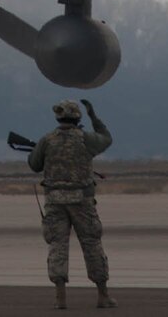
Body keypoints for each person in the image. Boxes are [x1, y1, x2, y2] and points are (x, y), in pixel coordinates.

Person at [27, 98, 115, 310]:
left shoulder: (47, 140)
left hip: (55, 201)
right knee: (92, 244)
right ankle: (103, 296)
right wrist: (94, 117)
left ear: (58, 117)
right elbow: (107, 139)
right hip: (82, 201)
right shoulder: (86, 138)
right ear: (77, 118)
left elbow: (34, 165)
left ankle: (60, 298)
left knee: (57, 246)